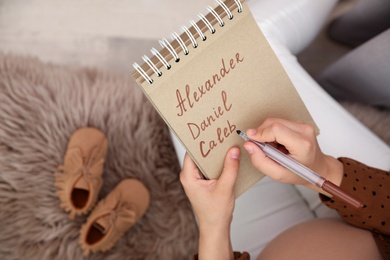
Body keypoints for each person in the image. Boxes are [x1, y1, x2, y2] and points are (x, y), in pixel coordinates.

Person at [180, 118, 390, 260]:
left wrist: (213, 223)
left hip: (257, 241)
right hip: (369, 208)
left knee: (189, 131)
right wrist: (325, 168)